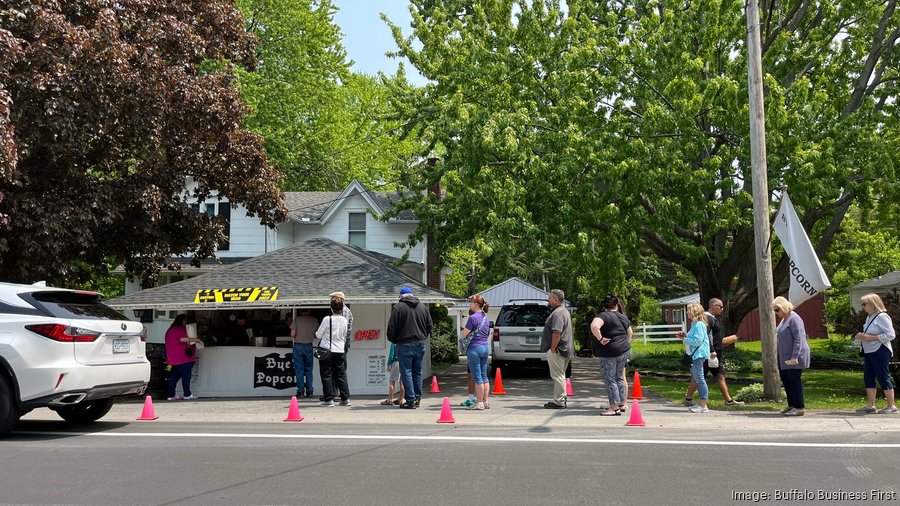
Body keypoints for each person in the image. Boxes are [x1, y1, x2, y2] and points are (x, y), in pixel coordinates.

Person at [682, 298, 744, 407]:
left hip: (712, 354)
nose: (722, 309)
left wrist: (721, 342)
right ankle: (694, 401)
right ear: (714, 306)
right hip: (709, 355)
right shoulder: (707, 319)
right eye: (720, 306)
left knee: (716, 376)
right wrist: (712, 350)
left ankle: (728, 401)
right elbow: (704, 337)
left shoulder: (709, 319)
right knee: (699, 378)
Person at [387, 286, 434, 409]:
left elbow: (391, 327)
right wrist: (423, 335)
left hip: (404, 344)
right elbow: (430, 325)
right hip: (420, 343)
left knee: (406, 372)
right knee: (417, 372)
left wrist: (394, 340)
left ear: (401, 296)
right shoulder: (423, 307)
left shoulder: (398, 307)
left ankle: (410, 400)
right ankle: (417, 398)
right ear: (412, 295)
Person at [854, 293, 897, 414]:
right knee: (868, 377)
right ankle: (871, 405)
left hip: (880, 350)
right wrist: (862, 336)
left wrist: (868, 337)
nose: (863, 307)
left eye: (864, 304)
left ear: (873, 304)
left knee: (882, 376)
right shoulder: (869, 317)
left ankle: (891, 405)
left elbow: (891, 335)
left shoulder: (882, 316)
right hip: (869, 351)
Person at [591, 295, 633, 416]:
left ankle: (614, 407)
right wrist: (625, 343)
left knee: (609, 379)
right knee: (619, 377)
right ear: (616, 304)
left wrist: (600, 338)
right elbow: (630, 333)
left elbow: (594, 326)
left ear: (605, 305)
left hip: (609, 351)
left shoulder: (603, 316)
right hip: (624, 350)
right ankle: (622, 403)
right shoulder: (623, 317)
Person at [772, 296, 810, 416]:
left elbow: (799, 339)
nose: (776, 313)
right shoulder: (784, 319)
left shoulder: (794, 319)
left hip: (794, 356)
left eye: (777, 310)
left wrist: (795, 357)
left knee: (794, 380)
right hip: (784, 356)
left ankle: (799, 407)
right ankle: (792, 404)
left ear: (783, 306)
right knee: (786, 380)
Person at [314, 297, 351, 407]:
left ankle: (329, 399)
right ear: (342, 308)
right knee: (341, 374)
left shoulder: (327, 319)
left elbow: (318, 335)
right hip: (340, 349)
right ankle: (345, 398)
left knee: (326, 374)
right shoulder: (345, 320)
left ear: (331, 308)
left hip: (327, 349)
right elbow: (345, 335)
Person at [541, 289, 573, 409]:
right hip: (565, 349)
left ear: (556, 299)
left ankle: (559, 401)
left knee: (558, 376)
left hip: (558, 350)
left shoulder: (558, 313)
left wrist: (553, 348)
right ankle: (561, 399)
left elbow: (556, 332)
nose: (548, 300)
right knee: (561, 375)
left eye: (550, 297)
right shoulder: (564, 311)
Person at [679, 303, 710, 413]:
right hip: (695, 354)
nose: (687, 312)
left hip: (698, 354)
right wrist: (685, 336)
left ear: (694, 312)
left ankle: (703, 404)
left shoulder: (699, 325)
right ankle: (702, 404)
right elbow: (694, 338)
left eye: (688, 310)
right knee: (698, 378)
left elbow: (697, 341)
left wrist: (685, 340)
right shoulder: (694, 324)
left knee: (700, 379)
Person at [462, 295, 492, 410]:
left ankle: (479, 403)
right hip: (485, 347)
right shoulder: (486, 317)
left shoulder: (473, 318)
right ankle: (486, 401)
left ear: (476, 304)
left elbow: (464, 334)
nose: (470, 304)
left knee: (477, 377)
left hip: (474, 348)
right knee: (484, 376)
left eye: (471, 302)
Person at [165, 314, 198, 401]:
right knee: (186, 377)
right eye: (185, 321)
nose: (186, 323)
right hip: (183, 359)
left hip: (173, 359)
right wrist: (195, 340)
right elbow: (182, 339)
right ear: (182, 321)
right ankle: (187, 394)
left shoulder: (169, 331)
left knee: (174, 378)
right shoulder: (179, 329)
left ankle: (171, 395)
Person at [327, 291, 353, 398]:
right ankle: (336, 392)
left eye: (333, 298)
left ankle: (337, 393)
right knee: (339, 368)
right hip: (342, 341)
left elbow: (343, 328)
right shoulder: (346, 311)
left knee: (338, 368)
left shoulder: (345, 311)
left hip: (340, 342)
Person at [291, 308, 318, 398]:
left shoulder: (297, 320)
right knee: (309, 370)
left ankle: (301, 392)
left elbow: (292, 334)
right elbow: (316, 335)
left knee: (299, 370)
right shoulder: (314, 320)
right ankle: (310, 391)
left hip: (298, 346)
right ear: (309, 311)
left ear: (300, 311)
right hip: (309, 346)